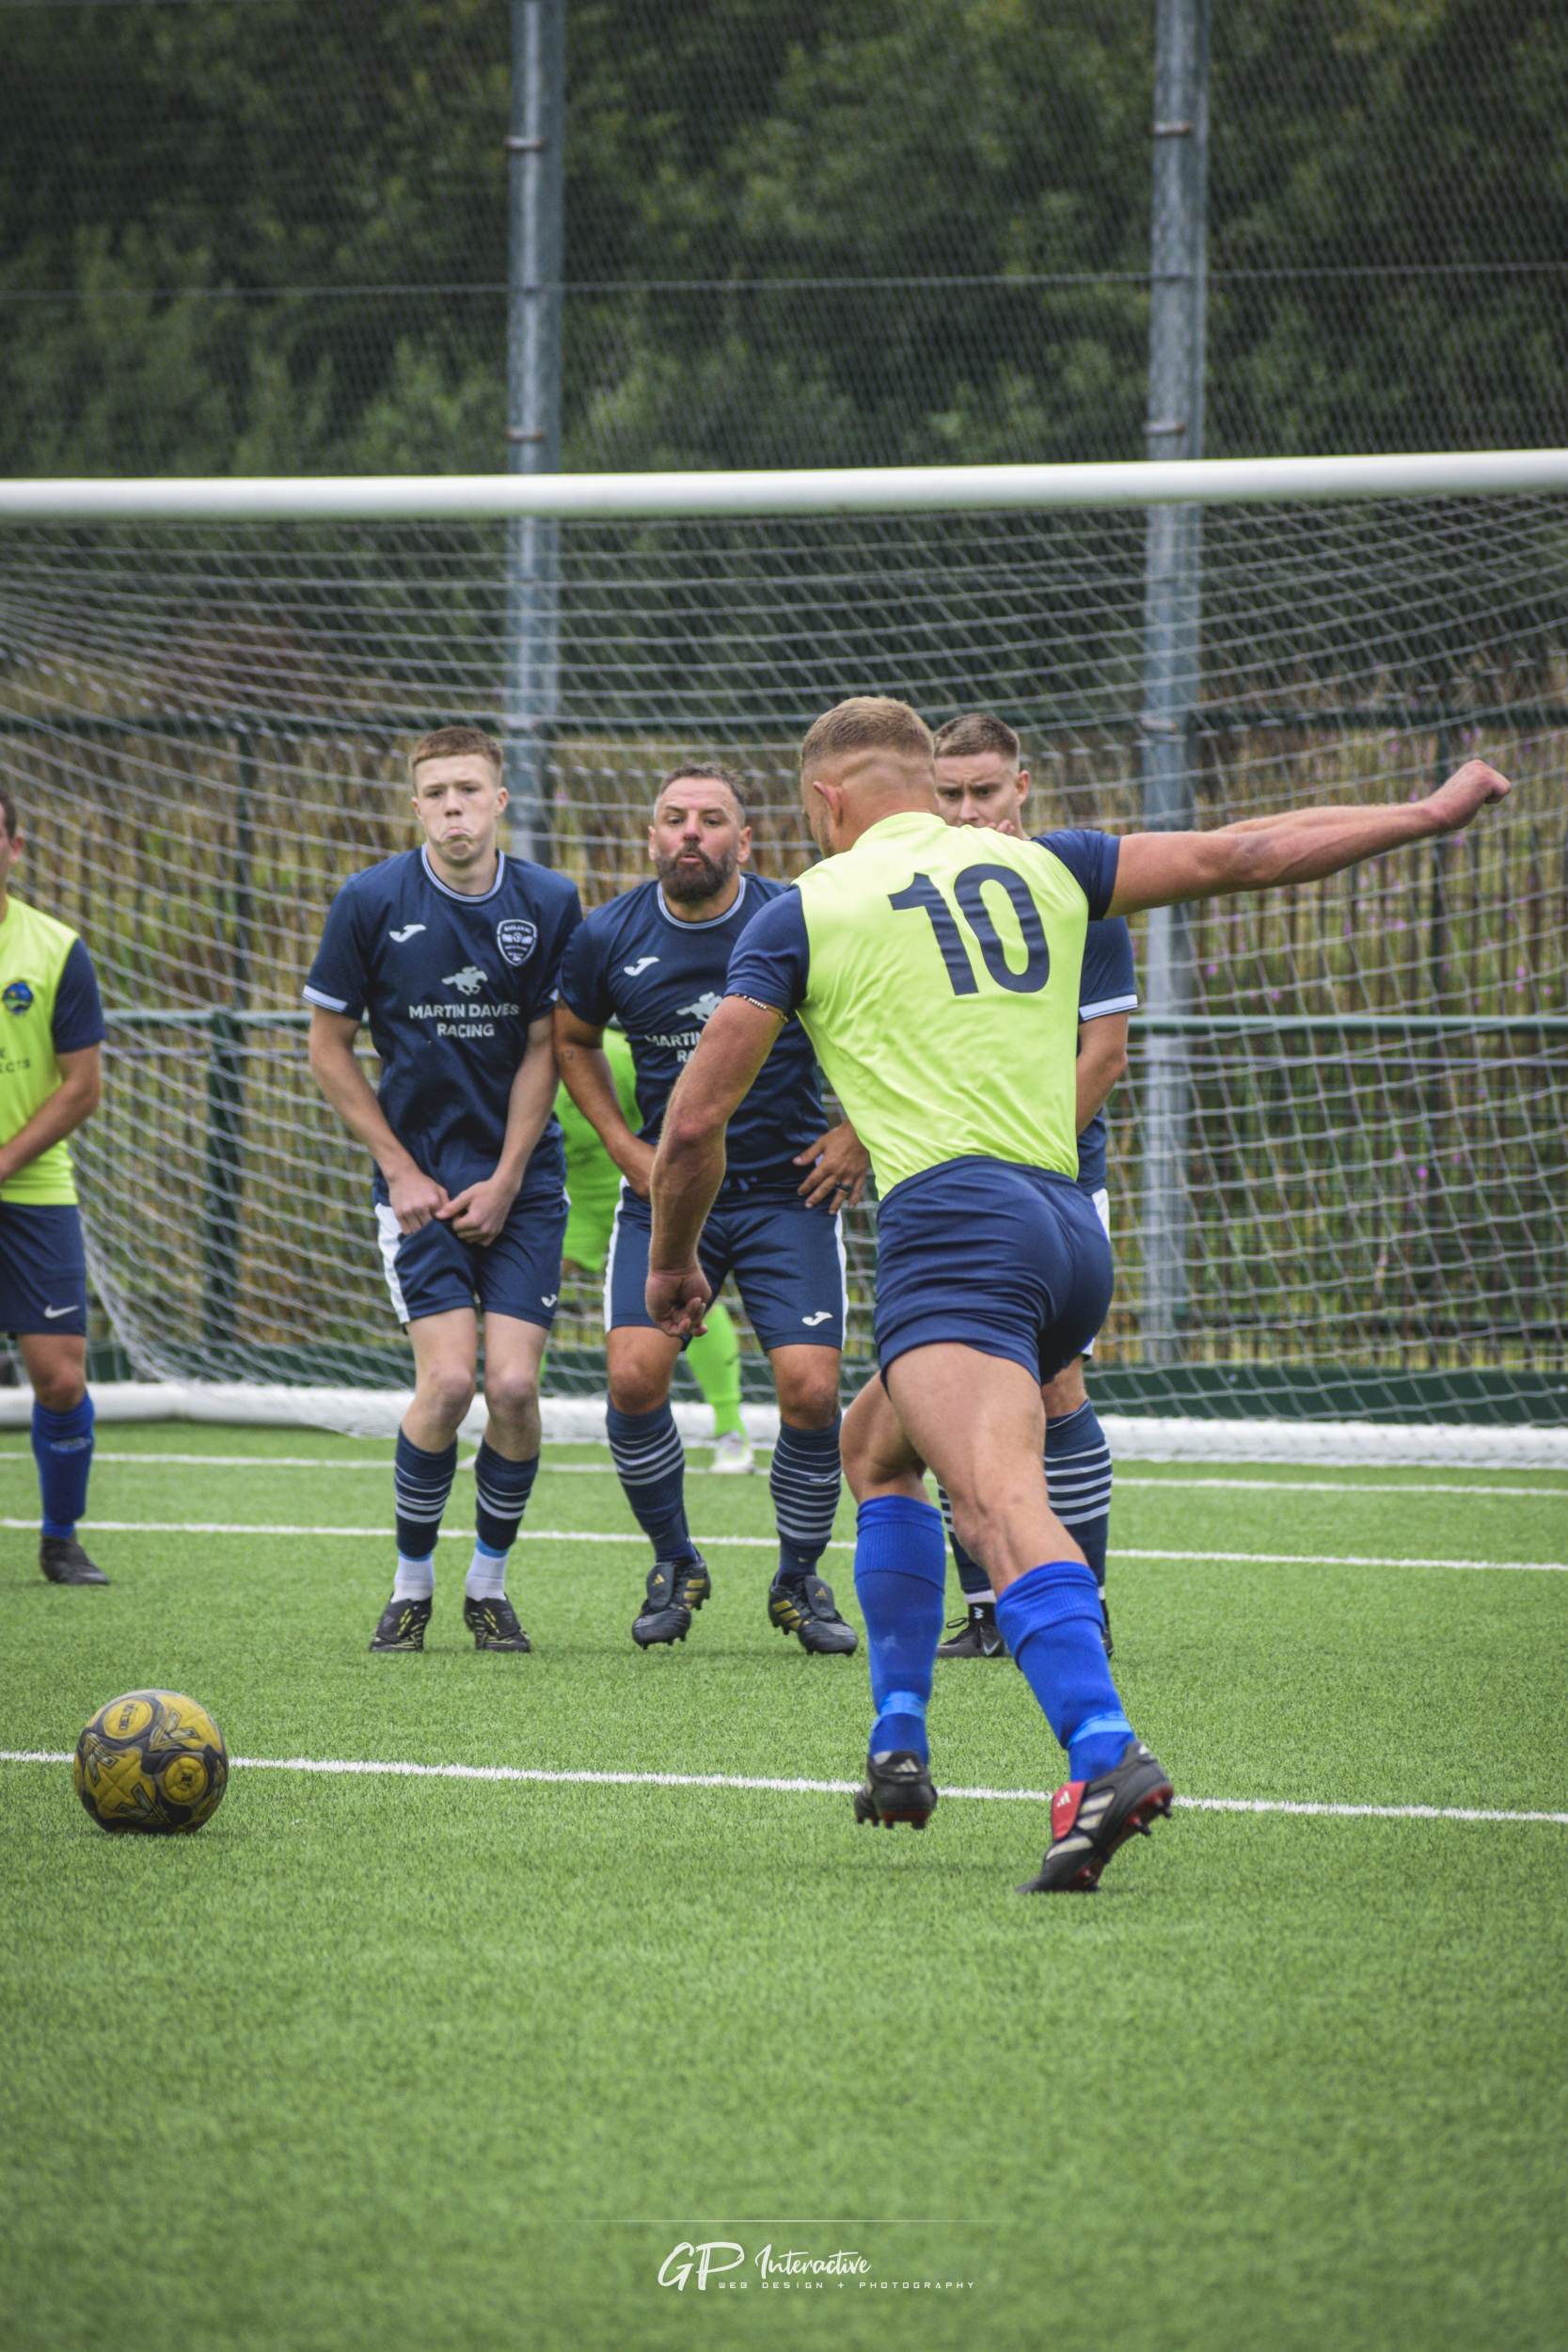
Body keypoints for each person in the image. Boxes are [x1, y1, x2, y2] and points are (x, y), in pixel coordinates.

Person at [645, 694, 1509, 1893]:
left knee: (996, 1501)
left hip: (953, 1230)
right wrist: (1423, 810)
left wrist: (669, 1263)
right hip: (1065, 1230)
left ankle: (1102, 1749)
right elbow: (1239, 854)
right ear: (922, 779)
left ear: (823, 802)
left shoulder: (808, 906)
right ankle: (897, 1737)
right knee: (875, 1449)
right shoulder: (1044, 864)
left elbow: (692, 1121)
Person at [554, 760, 867, 1655]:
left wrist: (859, 1132)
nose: (691, 833)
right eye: (674, 818)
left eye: (712, 820)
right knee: (632, 1378)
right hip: (664, 1198)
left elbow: (879, 1024)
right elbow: (572, 1040)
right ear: (650, 837)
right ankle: (674, 1561)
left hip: (788, 1194)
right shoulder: (605, 934)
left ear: (746, 839)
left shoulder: (799, 917)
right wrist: (624, 1147)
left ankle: (800, 1579)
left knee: (809, 1389)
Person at [305, 724, 580, 1655]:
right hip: (417, 1184)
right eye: (435, 793)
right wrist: (399, 1166)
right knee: (450, 1380)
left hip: (521, 1185)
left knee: (509, 1384)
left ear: (501, 799)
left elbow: (548, 1047)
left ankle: (487, 1589)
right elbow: (326, 1049)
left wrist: (506, 1177)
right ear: (415, 803)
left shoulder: (549, 899)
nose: (452, 807)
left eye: (468, 789)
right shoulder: (370, 899)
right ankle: (409, 1586)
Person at [930, 712, 1134, 1658]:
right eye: (949, 793)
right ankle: (983, 1610)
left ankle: (1076, 1608)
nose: (968, 811)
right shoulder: (915, 895)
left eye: (984, 790)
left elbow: (1103, 1051)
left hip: (1050, 1181)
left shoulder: (1072, 892)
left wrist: (1027, 1151)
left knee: (1053, 1384)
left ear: (1023, 787)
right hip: (942, 1183)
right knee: (943, 1389)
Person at [555, 1025, 752, 1470]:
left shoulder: (612, 1055)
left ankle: (731, 1430)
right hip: (569, 1202)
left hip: (643, 1193)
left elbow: (673, 1125)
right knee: (525, 1293)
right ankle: (506, 1430)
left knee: (690, 1292)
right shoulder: (515, 1062)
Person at [0, 785, 109, 1585]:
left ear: (14, 847)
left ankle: (61, 1538)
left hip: (33, 1191)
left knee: (61, 1375)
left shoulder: (56, 949)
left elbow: (81, 1085)